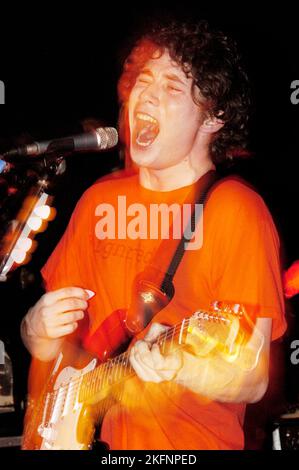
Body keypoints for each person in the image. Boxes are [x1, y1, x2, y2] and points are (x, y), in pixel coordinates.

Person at [20, 19, 287, 450]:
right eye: (144, 80)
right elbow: (57, 351)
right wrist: (35, 332)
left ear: (214, 117)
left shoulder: (237, 211)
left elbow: (251, 377)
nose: (147, 95)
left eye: (173, 88)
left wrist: (182, 363)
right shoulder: (97, 202)